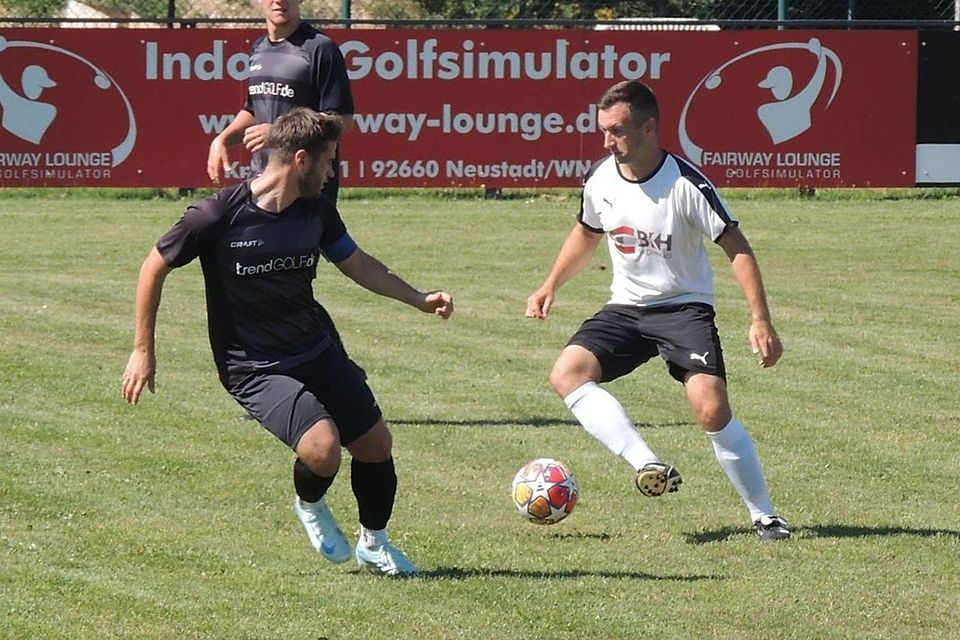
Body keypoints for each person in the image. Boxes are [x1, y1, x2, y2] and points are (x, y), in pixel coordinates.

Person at [123, 108, 454, 575]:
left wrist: (417, 298)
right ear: (301, 160)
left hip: (316, 348)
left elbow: (358, 263)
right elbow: (154, 265)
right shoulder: (218, 215)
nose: (333, 171)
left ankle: (375, 544)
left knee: (376, 443)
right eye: (329, 160)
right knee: (322, 449)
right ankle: (310, 504)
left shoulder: (315, 210)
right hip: (254, 366)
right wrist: (142, 349)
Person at [525, 80, 789, 541]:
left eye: (617, 131)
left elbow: (738, 248)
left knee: (711, 409)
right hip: (626, 309)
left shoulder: (686, 184)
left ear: (648, 128)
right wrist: (550, 284)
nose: (607, 141)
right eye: (603, 130)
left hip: (683, 308)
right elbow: (586, 234)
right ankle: (647, 463)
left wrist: (760, 319)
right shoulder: (600, 179)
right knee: (567, 373)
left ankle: (764, 514)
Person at [206, 0, 354, 204]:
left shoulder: (320, 48)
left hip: (307, 186)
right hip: (263, 181)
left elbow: (342, 121)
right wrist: (222, 140)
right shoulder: (259, 48)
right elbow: (254, 110)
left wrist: (278, 133)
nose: (279, 0)